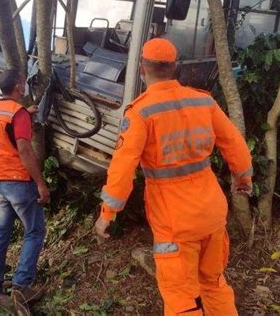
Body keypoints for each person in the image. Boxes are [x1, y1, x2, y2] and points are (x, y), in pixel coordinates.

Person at [94, 38, 253, 316]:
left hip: (175, 220)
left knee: (181, 295)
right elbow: (235, 144)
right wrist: (243, 180)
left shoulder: (141, 112)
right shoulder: (203, 100)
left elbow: (122, 169)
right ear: (175, 67)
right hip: (212, 212)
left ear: (143, 68)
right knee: (214, 284)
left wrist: (107, 213)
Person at [0, 69, 49, 302]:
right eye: (24, 83)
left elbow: (4, 134)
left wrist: (26, 114)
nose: (25, 86)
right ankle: (21, 286)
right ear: (19, 87)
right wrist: (40, 183)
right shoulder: (17, 113)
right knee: (35, 231)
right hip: (19, 182)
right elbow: (24, 149)